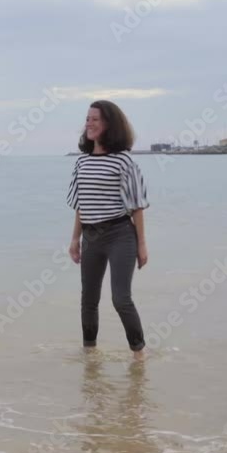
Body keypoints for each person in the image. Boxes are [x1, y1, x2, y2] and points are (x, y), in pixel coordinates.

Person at [66, 100, 150, 359]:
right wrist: (75, 239)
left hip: (120, 235)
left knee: (120, 298)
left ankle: (139, 355)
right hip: (91, 236)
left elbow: (137, 205)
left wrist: (142, 244)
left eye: (95, 119)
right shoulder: (82, 162)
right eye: (87, 119)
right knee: (88, 299)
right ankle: (90, 355)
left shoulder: (123, 160)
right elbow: (80, 204)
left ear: (109, 125)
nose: (89, 124)